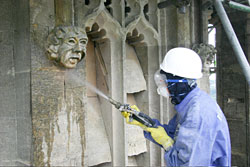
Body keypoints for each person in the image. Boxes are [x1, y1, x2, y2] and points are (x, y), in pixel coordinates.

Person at [121, 47, 231, 166]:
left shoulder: (197, 114)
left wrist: (166, 143)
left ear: (180, 83)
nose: (162, 84)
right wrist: (143, 121)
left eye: (166, 81)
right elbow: (174, 134)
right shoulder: (190, 103)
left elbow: (185, 163)